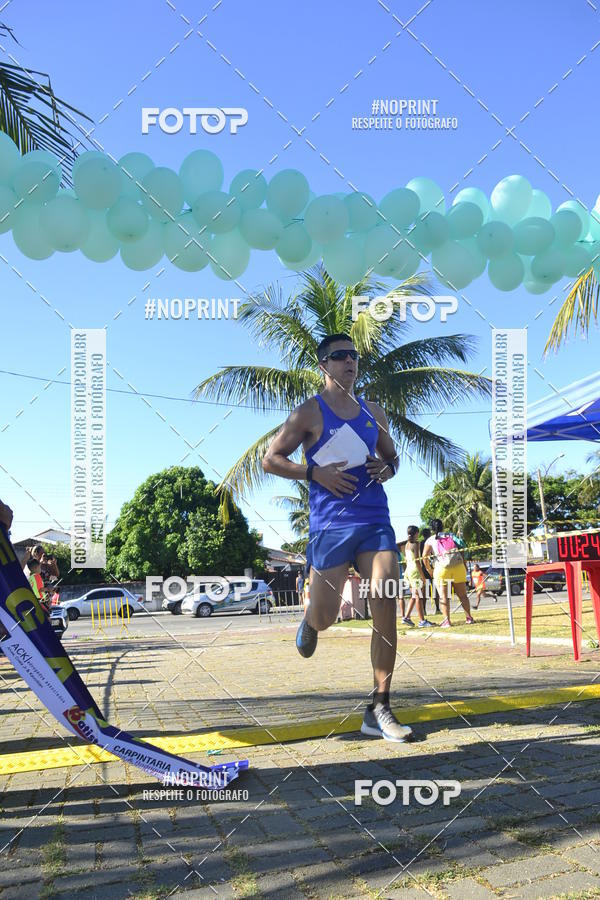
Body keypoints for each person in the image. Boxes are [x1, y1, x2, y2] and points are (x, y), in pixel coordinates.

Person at [262, 333, 412, 742]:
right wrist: (315, 473)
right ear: (323, 365)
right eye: (340, 356)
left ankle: (379, 705)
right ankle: (310, 620)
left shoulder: (372, 411)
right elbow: (270, 460)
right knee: (327, 616)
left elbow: (392, 456)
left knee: (385, 593)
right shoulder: (309, 412)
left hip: (373, 518)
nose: (350, 361)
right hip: (330, 526)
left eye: (354, 355)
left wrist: (387, 469)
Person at [422, 519, 474, 628]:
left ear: (432, 529)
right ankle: (469, 618)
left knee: (444, 597)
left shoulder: (430, 540)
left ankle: (447, 621)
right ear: (442, 526)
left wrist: (429, 569)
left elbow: (424, 557)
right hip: (458, 567)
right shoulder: (451, 536)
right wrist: (464, 564)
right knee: (463, 595)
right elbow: (462, 549)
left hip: (442, 569)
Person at [403, 525, 434, 628]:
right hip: (415, 572)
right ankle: (422, 621)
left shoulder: (407, 544)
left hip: (408, 571)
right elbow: (417, 561)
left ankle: (406, 617)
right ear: (416, 533)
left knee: (414, 596)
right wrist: (423, 576)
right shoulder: (416, 544)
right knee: (419, 597)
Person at [420, 527, 441, 616]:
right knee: (435, 588)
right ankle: (437, 608)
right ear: (428, 534)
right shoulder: (431, 541)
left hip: (424, 568)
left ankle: (424, 609)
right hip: (432, 566)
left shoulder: (420, 543)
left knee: (424, 589)